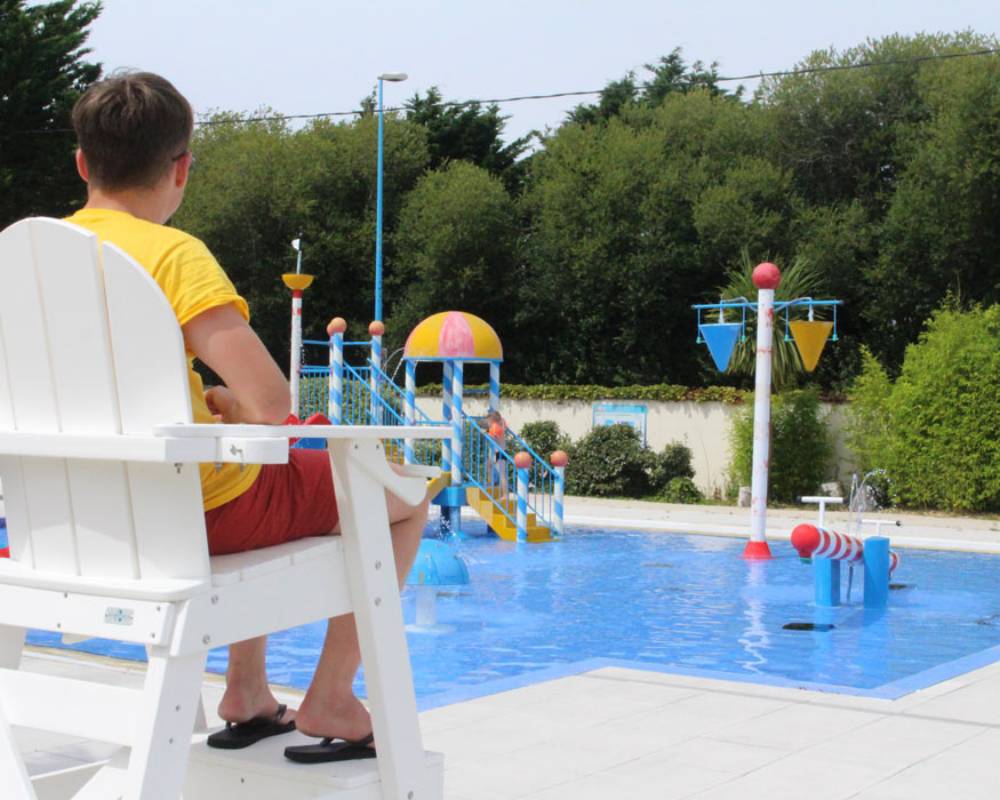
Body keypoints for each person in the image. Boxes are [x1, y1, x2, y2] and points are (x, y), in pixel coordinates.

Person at [67, 71, 428, 763]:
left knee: (255, 462)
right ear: (182, 168)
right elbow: (272, 405)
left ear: (83, 164)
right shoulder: (173, 255)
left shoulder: (25, 258)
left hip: (77, 521)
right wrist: (235, 406)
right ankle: (332, 696)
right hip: (191, 517)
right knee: (405, 496)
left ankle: (248, 692)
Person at [486, 410, 508, 496]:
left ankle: (505, 494)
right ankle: (491, 483)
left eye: (489, 420)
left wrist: (488, 435)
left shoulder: (495, 428)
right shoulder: (500, 425)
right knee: (489, 465)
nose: (488, 422)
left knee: (502, 475)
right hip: (500, 452)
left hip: (499, 453)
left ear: (492, 419)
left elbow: (496, 439)